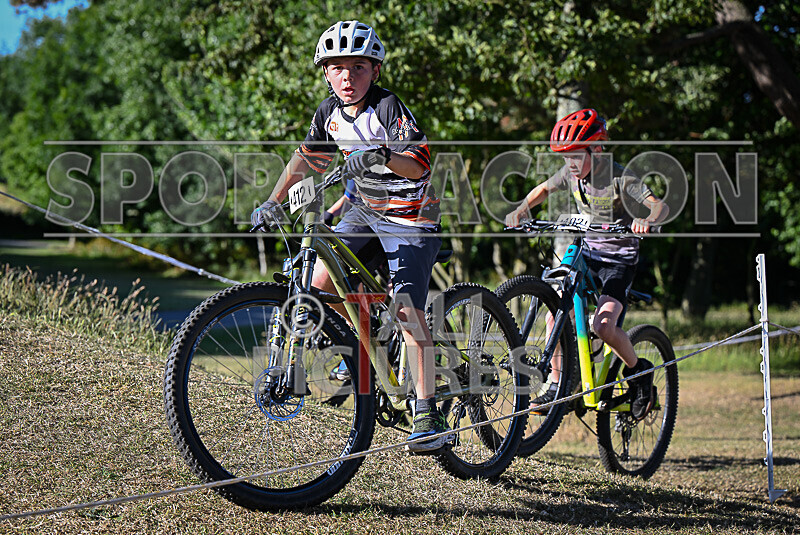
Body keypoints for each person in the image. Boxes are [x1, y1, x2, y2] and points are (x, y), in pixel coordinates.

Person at [251, 21, 450, 452]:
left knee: (405, 311)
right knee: (320, 285)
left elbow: (419, 165)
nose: (347, 77)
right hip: (363, 210)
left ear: (375, 72)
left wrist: (380, 154)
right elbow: (305, 160)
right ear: (325, 73)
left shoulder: (388, 107)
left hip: (410, 215)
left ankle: (427, 412)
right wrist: (273, 201)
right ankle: (361, 347)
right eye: (337, 68)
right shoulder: (328, 113)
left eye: (358, 67)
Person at [505, 108, 669, 420]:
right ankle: (558, 383)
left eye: (576, 156)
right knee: (555, 309)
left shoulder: (621, 179)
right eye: (566, 158)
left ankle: (640, 372)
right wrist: (522, 209)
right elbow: (542, 190)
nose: (571, 165)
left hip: (619, 263)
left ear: (596, 149)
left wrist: (648, 220)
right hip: (589, 254)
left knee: (603, 326)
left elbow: (659, 206)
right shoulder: (571, 174)